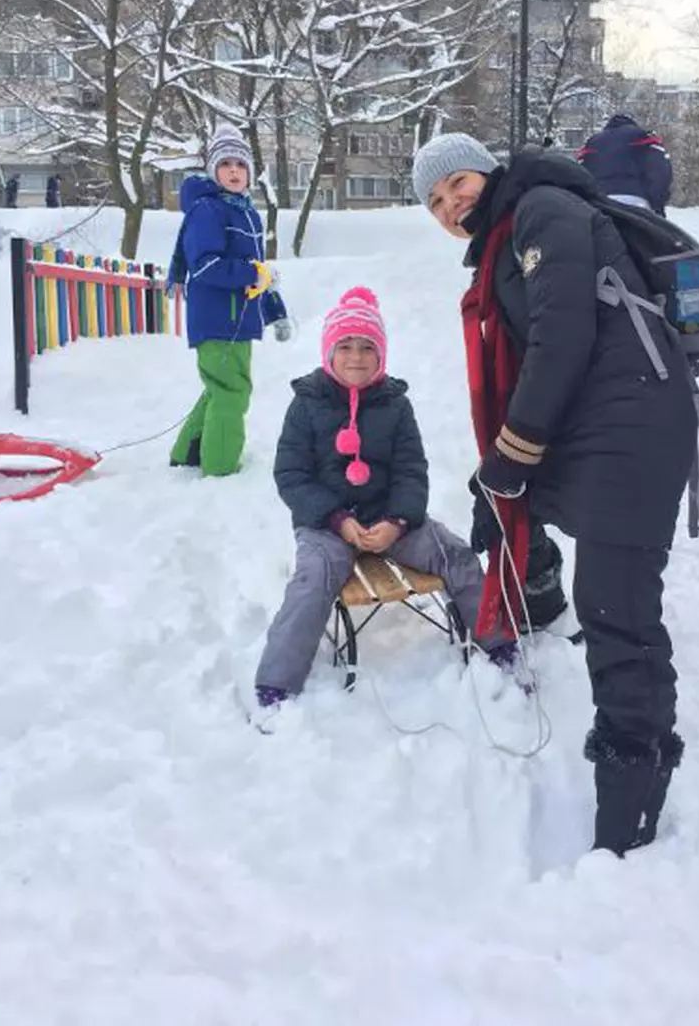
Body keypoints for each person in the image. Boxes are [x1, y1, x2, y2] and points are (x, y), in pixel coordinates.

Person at [412, 133, 696, 857]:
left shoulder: (542, 209)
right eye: (437, 202)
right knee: (514, 513)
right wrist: (500, 473)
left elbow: (562, 332)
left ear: (489, 170)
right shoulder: (511, 233)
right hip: (601, 424)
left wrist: (515, 448)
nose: (452, 205)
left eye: (458, 184)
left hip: (630, 425)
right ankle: (534, 607)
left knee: (619, 615)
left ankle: (630, 808)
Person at [254, 286, 513, 712]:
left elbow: (412, 470)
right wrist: (336, 519)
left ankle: (500, 645)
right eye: (346, 346)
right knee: (313, 578)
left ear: (382, 354)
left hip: (388, 519)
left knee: (456, 555)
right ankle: (276, 687)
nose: (356, 357)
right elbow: (292, 475)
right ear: (328, 351)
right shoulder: (306, 404)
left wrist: (397, 519)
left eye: (367, 347)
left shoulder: (395, 404)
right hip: (326, 522)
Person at [169, 123, 289, 476]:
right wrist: (253, 274)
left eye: (240, 164)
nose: (234, 171)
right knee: (231, 392)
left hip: (238, 320)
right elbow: (205, 265)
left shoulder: (246, 212)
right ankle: (220, 469)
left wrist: (273, 312)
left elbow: (257, 272)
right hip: (218, 319)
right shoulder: (209, 210)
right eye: (225, 165)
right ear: (213, 171)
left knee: (220, 388)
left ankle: (187, 453)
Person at [576, 114, 672, 216]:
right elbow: (660, 171)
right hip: (637, 200)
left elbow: (580, 174)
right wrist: (658, 204)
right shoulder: (643, 136)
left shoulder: (592, 142)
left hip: (600, 202)